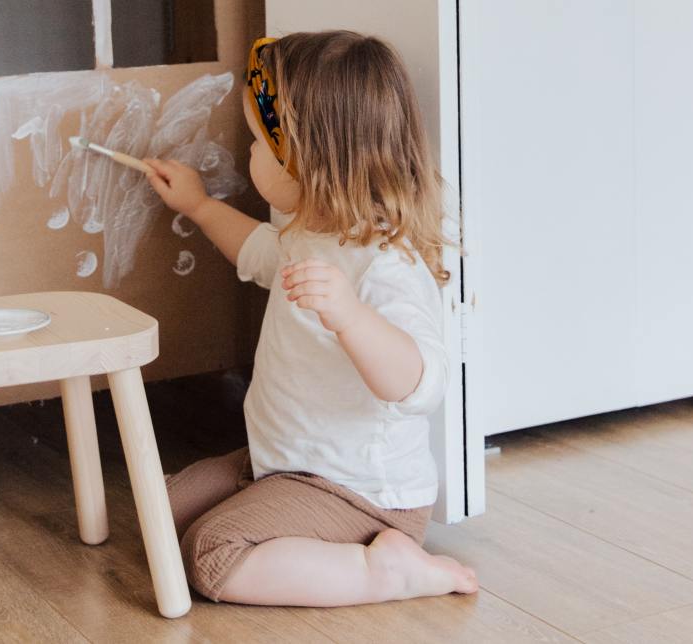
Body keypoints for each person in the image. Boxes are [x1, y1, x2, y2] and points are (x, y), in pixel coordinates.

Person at [143, 31, 478, 607]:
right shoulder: (311, 235)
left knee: (210, 554)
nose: (249, 154)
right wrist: (198, 206)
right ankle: (300, 532)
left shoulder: (385, 263)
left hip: (361, 493)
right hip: (283, 461)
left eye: (258, 143)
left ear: (311, 159)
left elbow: (421, 383)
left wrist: (349, 316)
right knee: (156, 509)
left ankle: (390, 572)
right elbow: (257, 251)